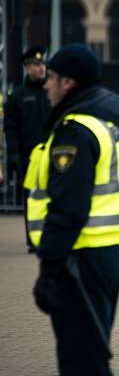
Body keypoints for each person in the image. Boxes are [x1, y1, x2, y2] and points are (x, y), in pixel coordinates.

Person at [27, 44, 119, 375]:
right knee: (93, 353)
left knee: (81, 361)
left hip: (79, 258)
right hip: (111, 252)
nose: (46, 85)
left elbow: (68, 208)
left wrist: (49, 269)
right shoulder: (114, 122)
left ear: (69, 82)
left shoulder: (77, 131)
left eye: (52, 78)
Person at [3, 45, 51, 253]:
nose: (39, 69)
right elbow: (11, 128)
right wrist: (13, 155)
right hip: (28, 156)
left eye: (41, 64)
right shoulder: (18, 96)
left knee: (55, 196)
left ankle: (51, 237)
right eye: (34, 65)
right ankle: (33, 238)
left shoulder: (53, 90)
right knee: (31, 199)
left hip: (53, 154)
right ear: (26, 68)